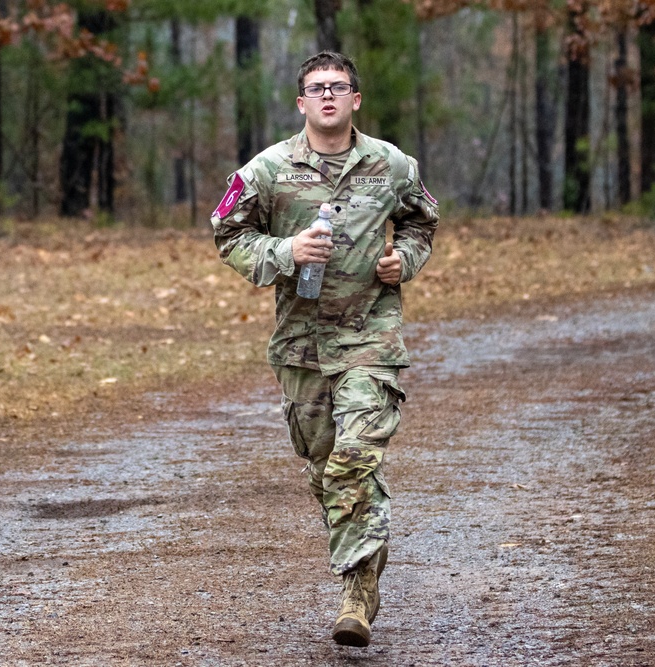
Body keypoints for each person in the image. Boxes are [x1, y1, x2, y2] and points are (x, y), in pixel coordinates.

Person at [210, 51, 438, 647]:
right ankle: (364, 560)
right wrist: (286, 254)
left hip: (370, 333)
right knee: (324, 469)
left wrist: (403, 260)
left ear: (356, 99)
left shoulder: (391, 165)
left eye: (339, 87)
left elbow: (421, 222)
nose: (329, 96)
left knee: (354, 459)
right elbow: (227, 232)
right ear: (301, 102)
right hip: (301, 344)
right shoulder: (268, 169)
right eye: (317, 88)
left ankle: (357, 594)